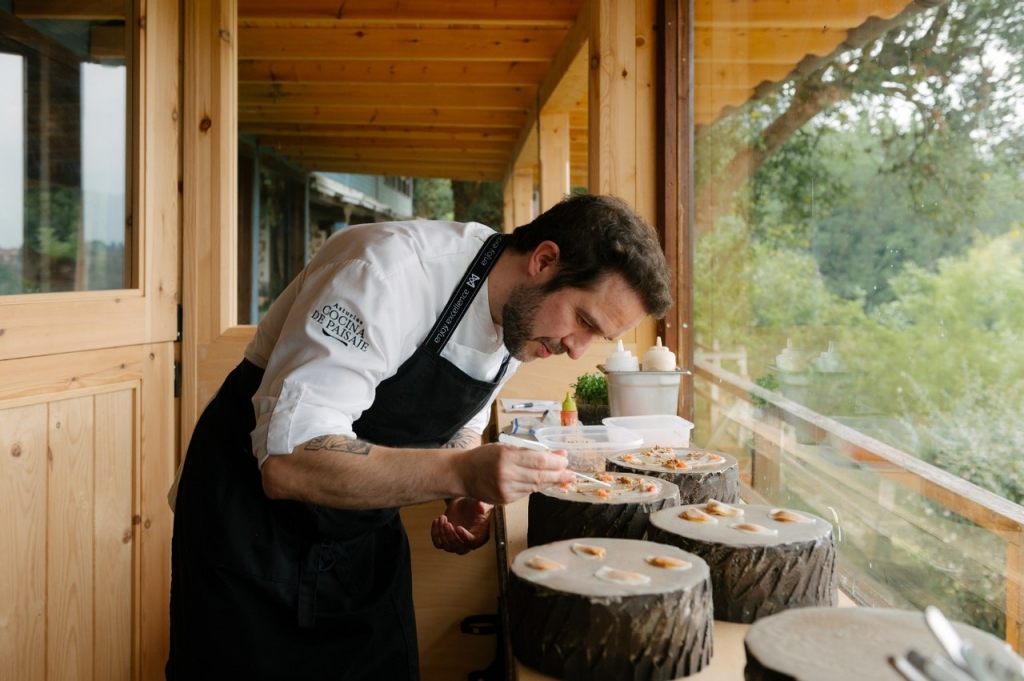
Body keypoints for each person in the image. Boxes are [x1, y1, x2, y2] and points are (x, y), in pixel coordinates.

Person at [166, 193, 673, 680]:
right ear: (543, 260)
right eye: (583, 321)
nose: (578, 349)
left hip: (360, 531)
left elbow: (464, 425)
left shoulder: (522, 322)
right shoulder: (385, 271)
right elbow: (289, 461)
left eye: (597, 336)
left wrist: (462, 491)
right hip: (246, 531)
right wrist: (456, 472)